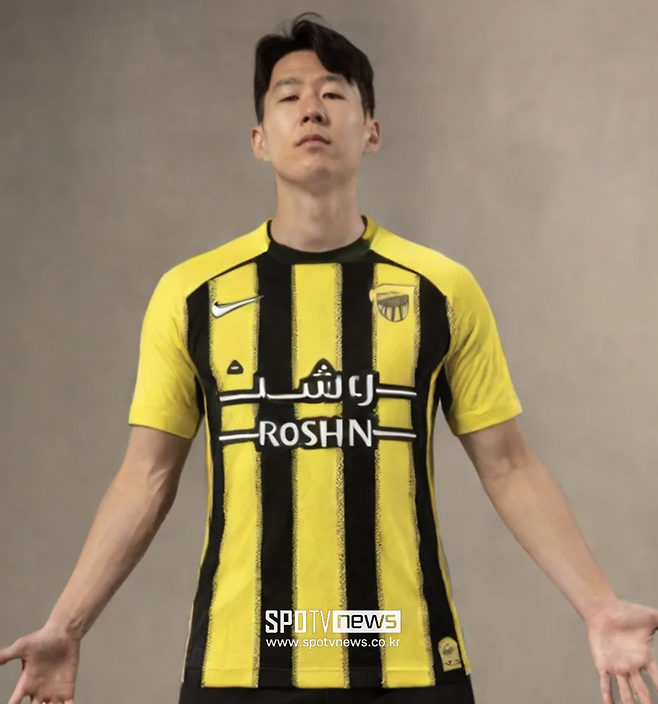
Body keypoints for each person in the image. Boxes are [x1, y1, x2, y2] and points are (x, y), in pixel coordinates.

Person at [1, 12, 657, 704]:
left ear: (371, 131)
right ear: (259, 139)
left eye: (334, 93)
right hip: (241, 669)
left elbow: (510, 466)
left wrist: (599, 606)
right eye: (288, 95)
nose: (312, 108)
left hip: (408, 666)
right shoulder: (191, 294)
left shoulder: (441, 289)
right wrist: (66, 626)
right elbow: (147, 473)